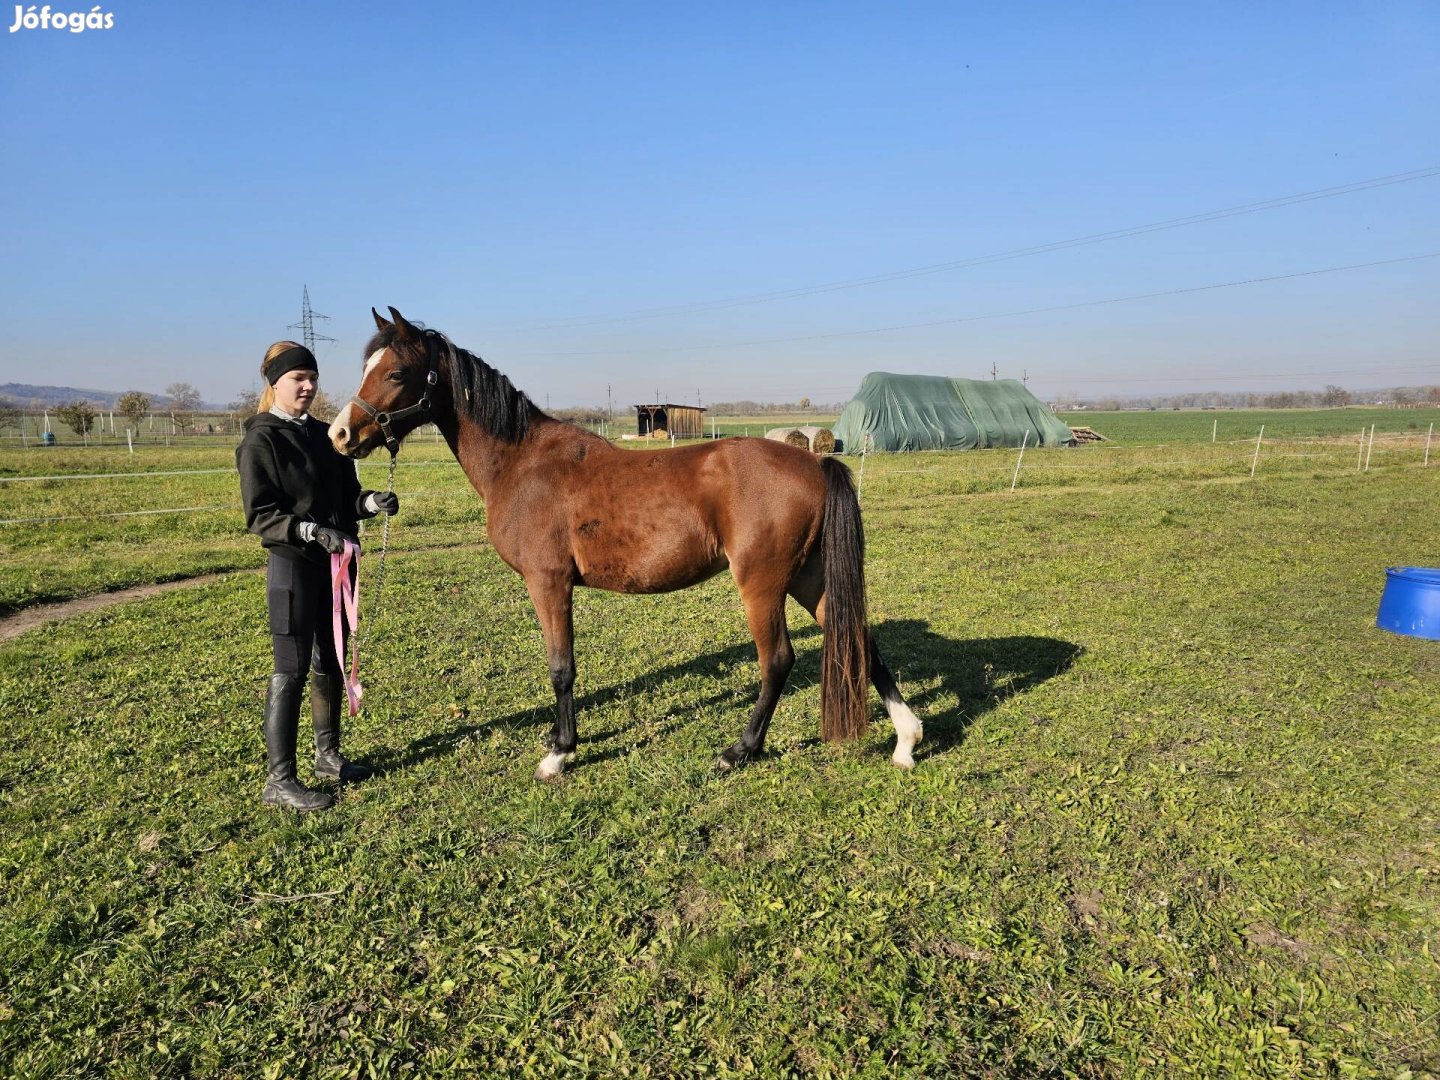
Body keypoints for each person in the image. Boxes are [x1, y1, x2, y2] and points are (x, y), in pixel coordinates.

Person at [236, 341, 400, 811]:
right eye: (297, 379)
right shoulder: (261, 440)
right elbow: (261, 515)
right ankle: (279, 780)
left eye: (313, 378)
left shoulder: (328, 436)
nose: (307, 387)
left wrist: (370, 504)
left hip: (333, 568)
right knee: (290, 670)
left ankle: (328, 757)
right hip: (293, 568)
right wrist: (310, 531)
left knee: (329, 660)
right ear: (274, 384)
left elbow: (344, 499)